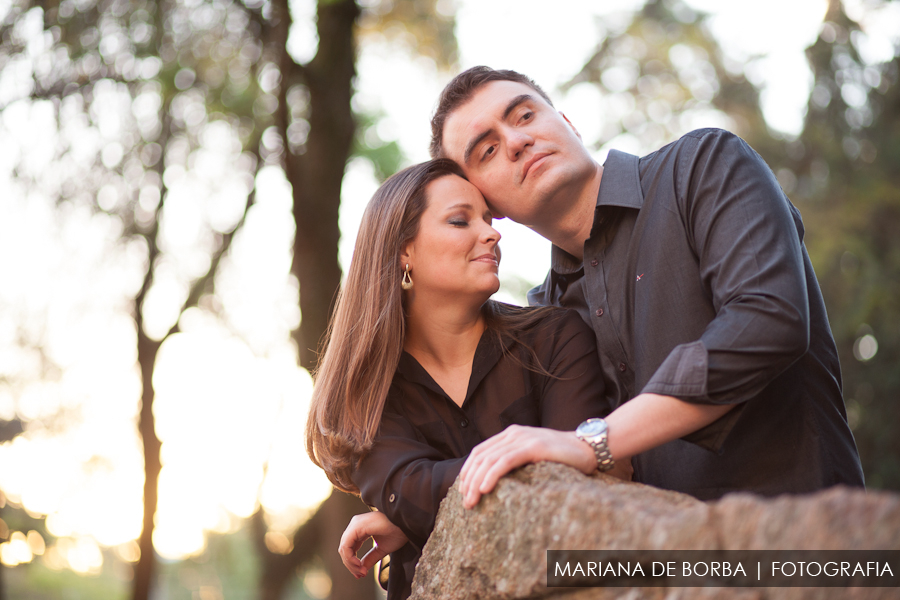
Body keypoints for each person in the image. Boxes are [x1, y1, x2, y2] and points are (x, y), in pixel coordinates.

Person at [338, 66, 865, 577]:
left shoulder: (703, 165)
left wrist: (593, 440)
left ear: (567, 122)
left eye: (524, 116)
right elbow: (538, 468)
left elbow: (768, 321)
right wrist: (417, 515)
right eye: (488, 149)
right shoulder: (545, 324)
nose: (517, 141)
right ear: (487, 201)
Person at [306, 159, 625, 600]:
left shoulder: (556, 338)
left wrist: (416, 511)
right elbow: (407, 489)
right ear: (403, 251)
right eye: (461, 220)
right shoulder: (366, 389)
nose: (493, 233)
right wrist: (410, 504)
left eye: (489, 219)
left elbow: (570, 476)